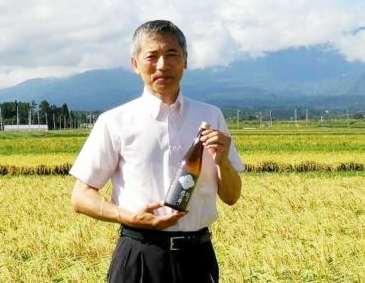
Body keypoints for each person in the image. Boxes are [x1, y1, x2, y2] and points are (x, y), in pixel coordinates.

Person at [70, 19, 244, 282]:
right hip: (140, 253)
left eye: (172, 55)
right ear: (135, 64)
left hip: (197, 258)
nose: (163, 65)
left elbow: (231, 196)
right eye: (152, 56)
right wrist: (130, 217)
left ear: (185, 61)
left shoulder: (210, 116)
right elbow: (81, 197)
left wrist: (223, 163)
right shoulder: (115, 121)